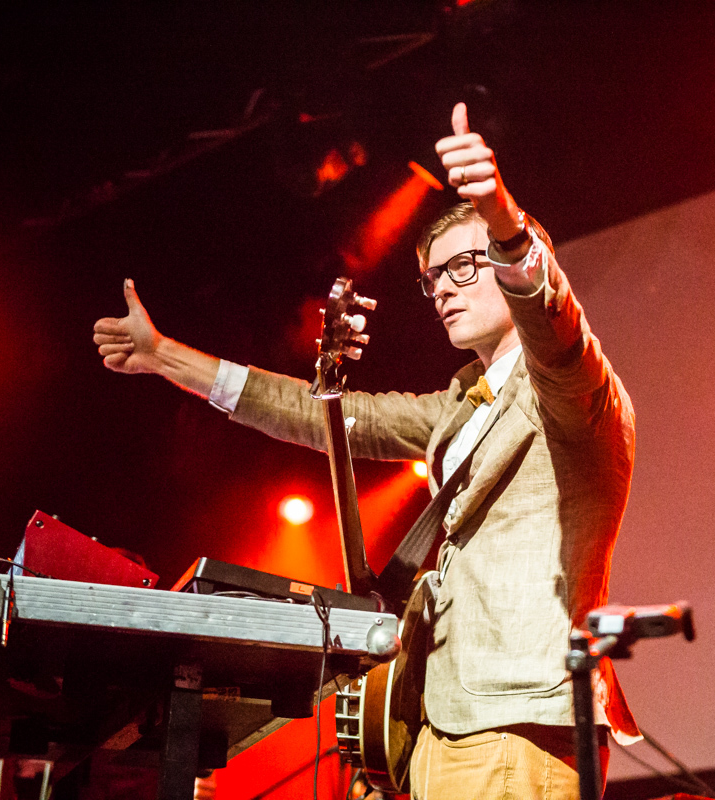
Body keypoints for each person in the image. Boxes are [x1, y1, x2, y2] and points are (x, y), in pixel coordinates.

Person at [93, 103, 638, 799]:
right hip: (442, 721)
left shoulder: (573, 388)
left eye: (464, 266)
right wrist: (167, 357)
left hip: (517, 711)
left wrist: (502, 219)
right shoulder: (461, 405)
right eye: (432, 277)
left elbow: (552, 315)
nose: (442, 287)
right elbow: (323, 416)